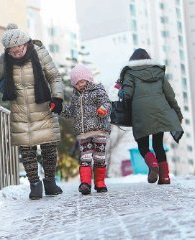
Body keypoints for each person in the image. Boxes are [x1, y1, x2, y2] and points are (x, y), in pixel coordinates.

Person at [0, 23, 64, 200]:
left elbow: (54, 76)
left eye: (19, 49)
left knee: (49, 147)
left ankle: (50, 181)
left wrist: (57, 97)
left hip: (43, 106)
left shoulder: (40, 53)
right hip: (20, 110)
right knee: (27, 150)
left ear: (25, 43)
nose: (17, 53)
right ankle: (34, 184)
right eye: (13, 51)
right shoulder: (5, 60)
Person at [118, 48, 184, 184]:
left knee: (142, 145)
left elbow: (127, 94)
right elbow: (170, 95)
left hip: (141, 113)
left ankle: (153, 164)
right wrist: (178, 113)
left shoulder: (130, 73)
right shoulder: (158, 72)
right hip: (160, 112)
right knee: (158, 144)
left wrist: (121, 91)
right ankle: (165, 177)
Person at [59, 64, 111, 195]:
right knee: (85, 157)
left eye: (82, 81)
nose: (80, 85)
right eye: (76, 83)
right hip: (83, 133)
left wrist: (103, 109)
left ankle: (100, 183)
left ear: (88, 79)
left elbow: (107, 103)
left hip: (99, 130)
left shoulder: (97, 90)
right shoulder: (75, 96)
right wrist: (59, 108)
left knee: (99, 157)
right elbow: (72, 112)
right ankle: (85, 183)